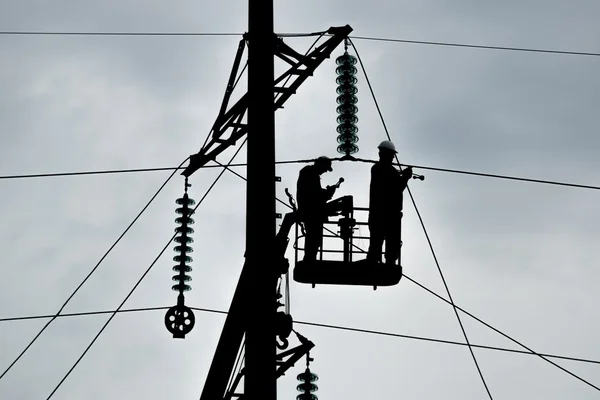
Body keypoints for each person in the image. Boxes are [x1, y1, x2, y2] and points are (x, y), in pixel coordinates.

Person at [367, 140, 413, 265]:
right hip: (388, 215)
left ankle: (374, 262)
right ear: (385, 154)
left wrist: (403, 176)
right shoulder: (386, 171)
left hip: (378, 214)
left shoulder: (378, 169)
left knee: (377, 241)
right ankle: (387, 263)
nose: (393, 157)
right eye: (392, 154)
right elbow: (397, 188)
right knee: (389, 241)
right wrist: (405, 177)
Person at [296, 156, 337, 262]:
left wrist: (326, 193)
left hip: (309, 211)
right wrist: (328, 193)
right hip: (311, 212)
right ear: (321, 165)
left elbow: (314, 192)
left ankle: (310, 259)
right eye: (325, 169)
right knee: (313, 238)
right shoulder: (310, 173)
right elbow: (314, 195)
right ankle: (309, 260)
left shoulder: (308, 173)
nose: (324, 172)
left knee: (313, 238)